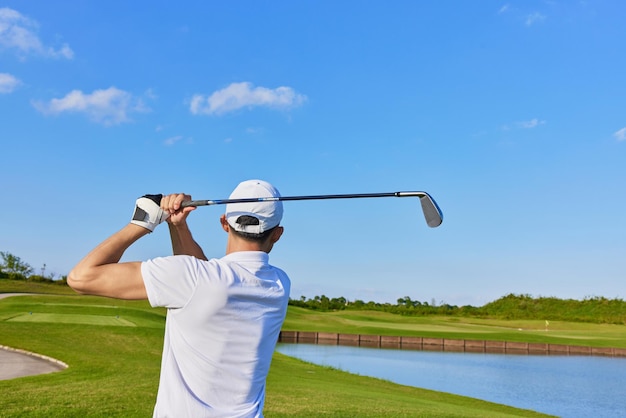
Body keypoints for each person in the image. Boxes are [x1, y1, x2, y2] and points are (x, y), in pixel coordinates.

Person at [68, 179, 291, 418]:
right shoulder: (279, 284)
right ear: (277, 234)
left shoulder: (195, 278)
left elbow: (81, 278)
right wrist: (177, 226)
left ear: (224, 223)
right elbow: (205, 280)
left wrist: (143, 221)